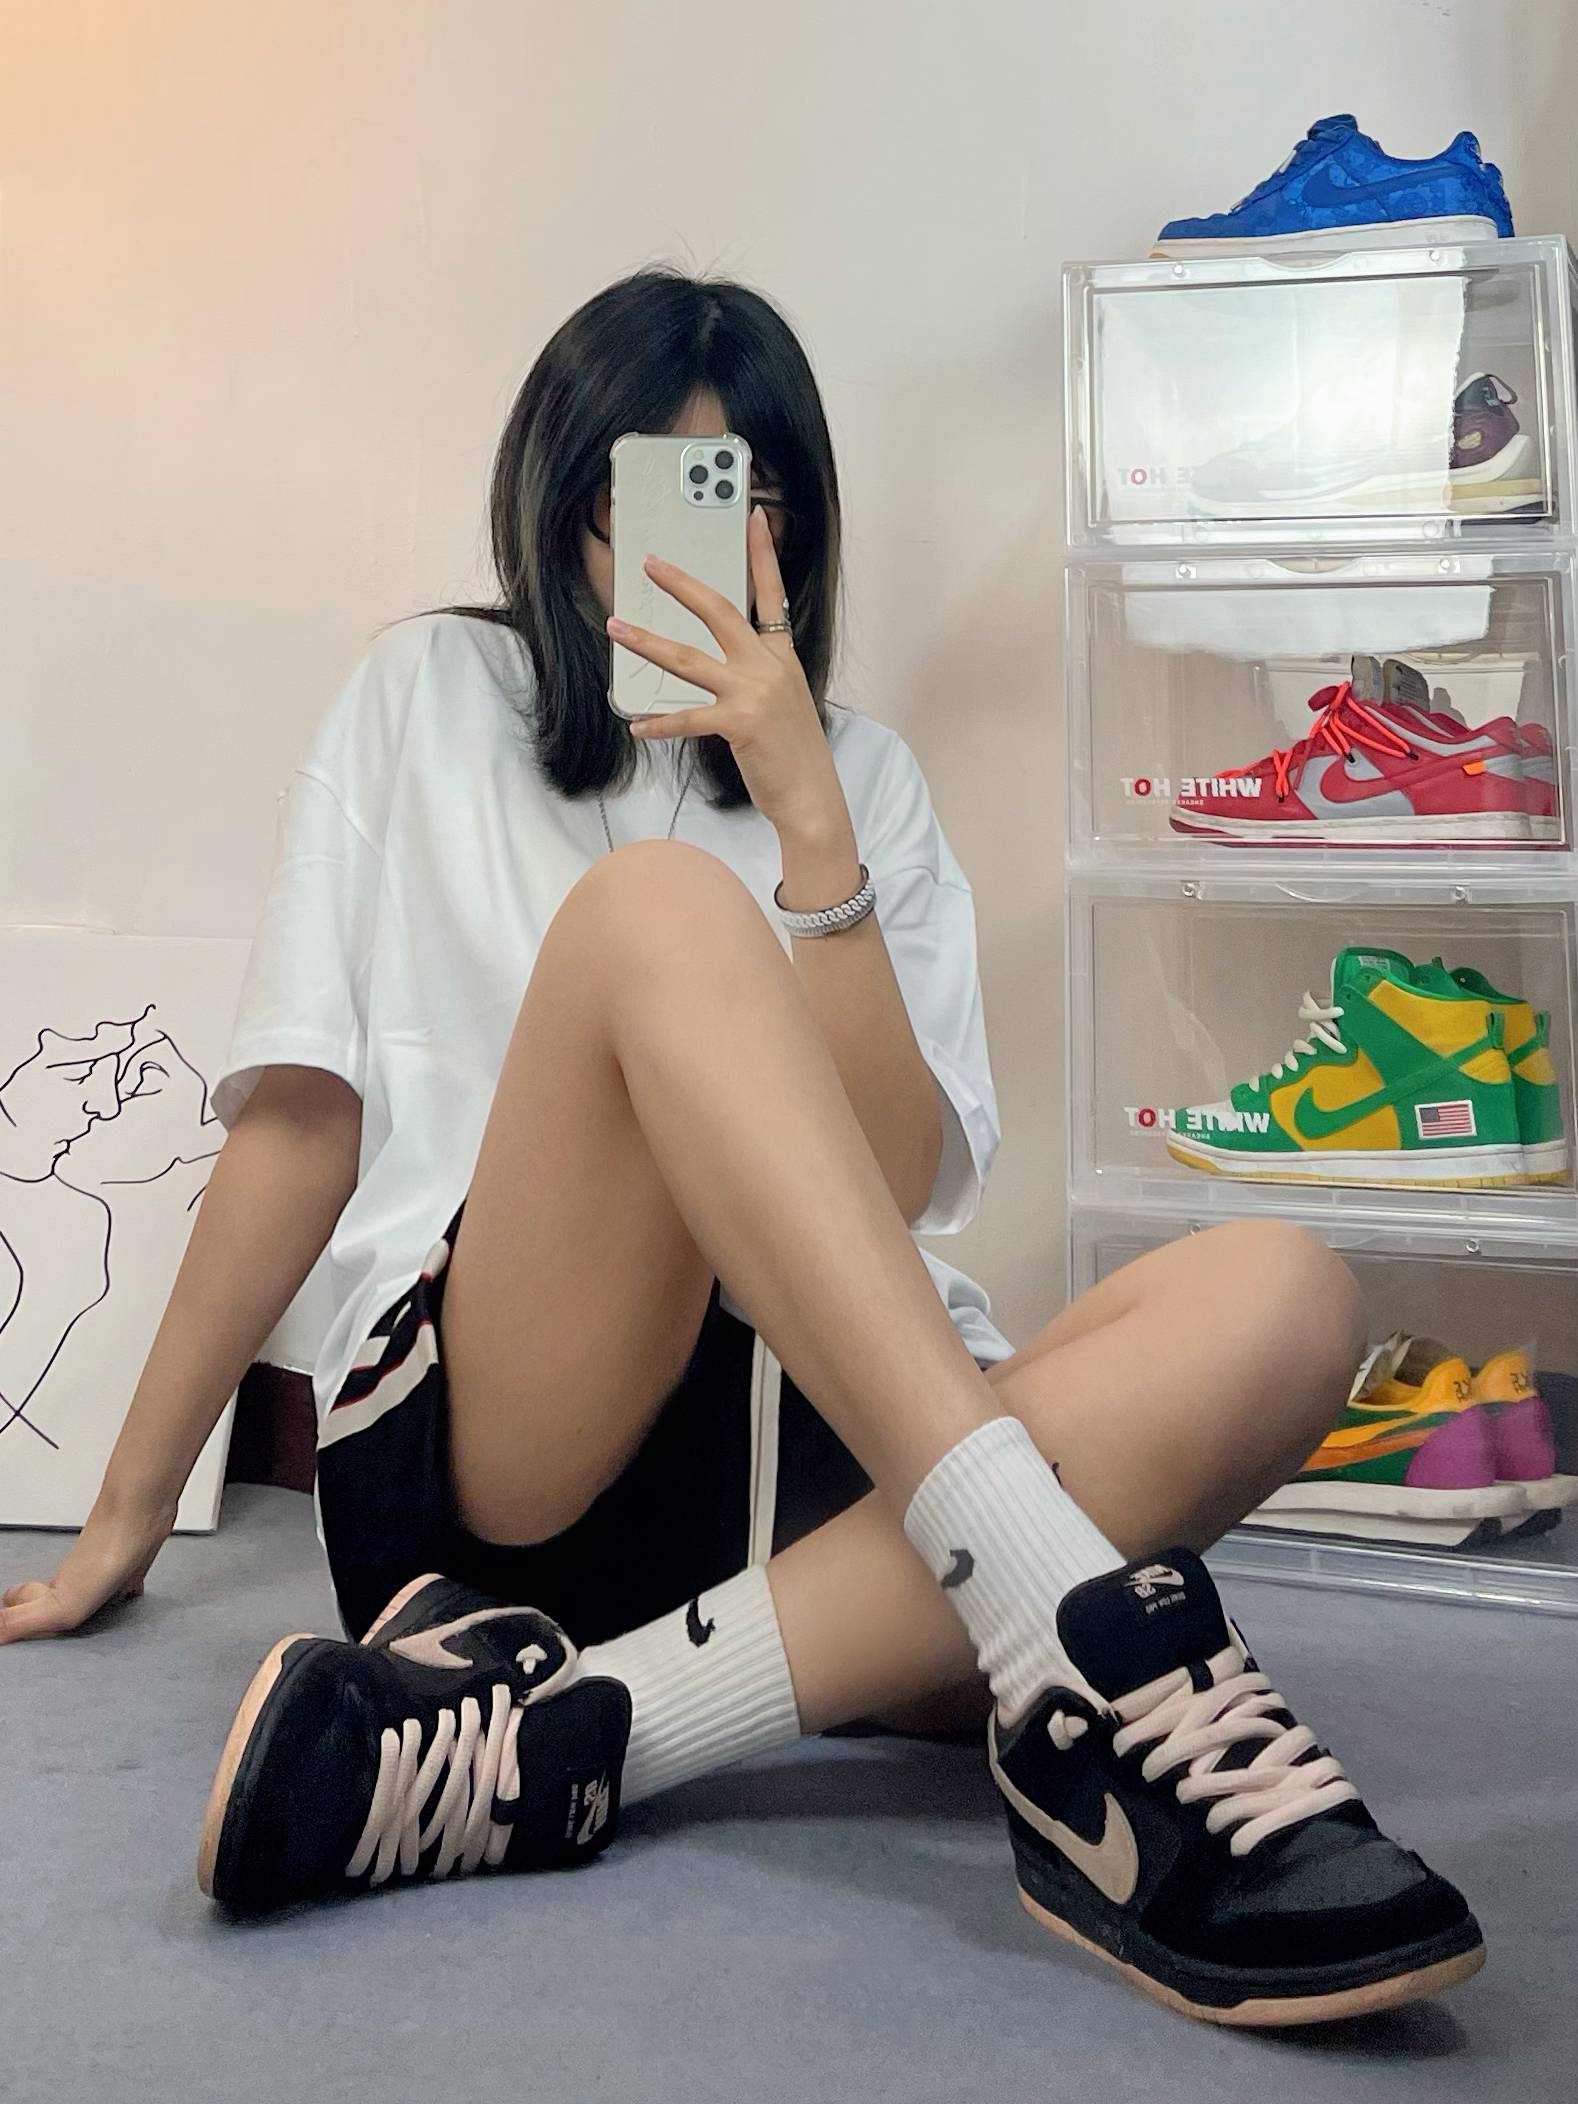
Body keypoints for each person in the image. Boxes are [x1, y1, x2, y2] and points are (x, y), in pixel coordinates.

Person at [0, 271, 1482, 2027]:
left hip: (822, 1465)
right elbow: (302, 1126)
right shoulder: (424, 694)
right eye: (650, 488)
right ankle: (1060, 1615)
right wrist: (125, 1516)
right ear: (564, 499)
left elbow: (896, 1186)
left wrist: (807, 820)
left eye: (749, 493)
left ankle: (581, 1735)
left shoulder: (860, 780)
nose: (706, 540)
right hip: (507, 1452)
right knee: (657, 912)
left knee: (1288, 1297)